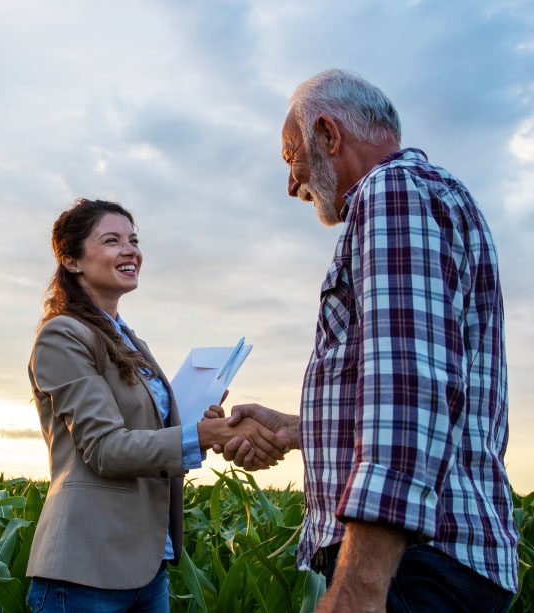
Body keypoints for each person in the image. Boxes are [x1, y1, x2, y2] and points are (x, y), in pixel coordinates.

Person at [211, 69, 519, 611]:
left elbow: (409, 392)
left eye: (291, 157)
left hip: (412, 568)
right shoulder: (427, 196)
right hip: (427, 562)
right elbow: (430, 392)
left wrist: (359, 586)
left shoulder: (391, 191)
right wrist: (295, 430)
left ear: (329, 135)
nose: (291, 183)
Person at [25, 198, 287, 612]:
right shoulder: (63, 336)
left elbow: (148, 433)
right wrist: (202, 435)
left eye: (133, 240)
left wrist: (200, 420)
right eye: (112, 241)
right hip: (85, 570)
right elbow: (106, 448)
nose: (130, 250)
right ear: (71, 260)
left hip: (148, 568)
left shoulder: (131, 341)